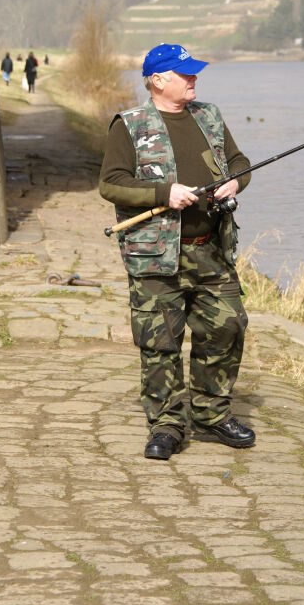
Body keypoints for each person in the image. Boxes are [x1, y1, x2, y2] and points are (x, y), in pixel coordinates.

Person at [99, 43, 255, 460]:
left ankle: (211, 415)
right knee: (160, 342)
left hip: (212, 251)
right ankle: (167, 425)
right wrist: (163, 193)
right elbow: (111, 183)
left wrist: (235, 182)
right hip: (155, 257)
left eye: (194, 73)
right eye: (185, 74)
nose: (194, 79)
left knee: (226, 328)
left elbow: (239, 161)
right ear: (158, 80)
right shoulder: (129, 125)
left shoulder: (209, 115)